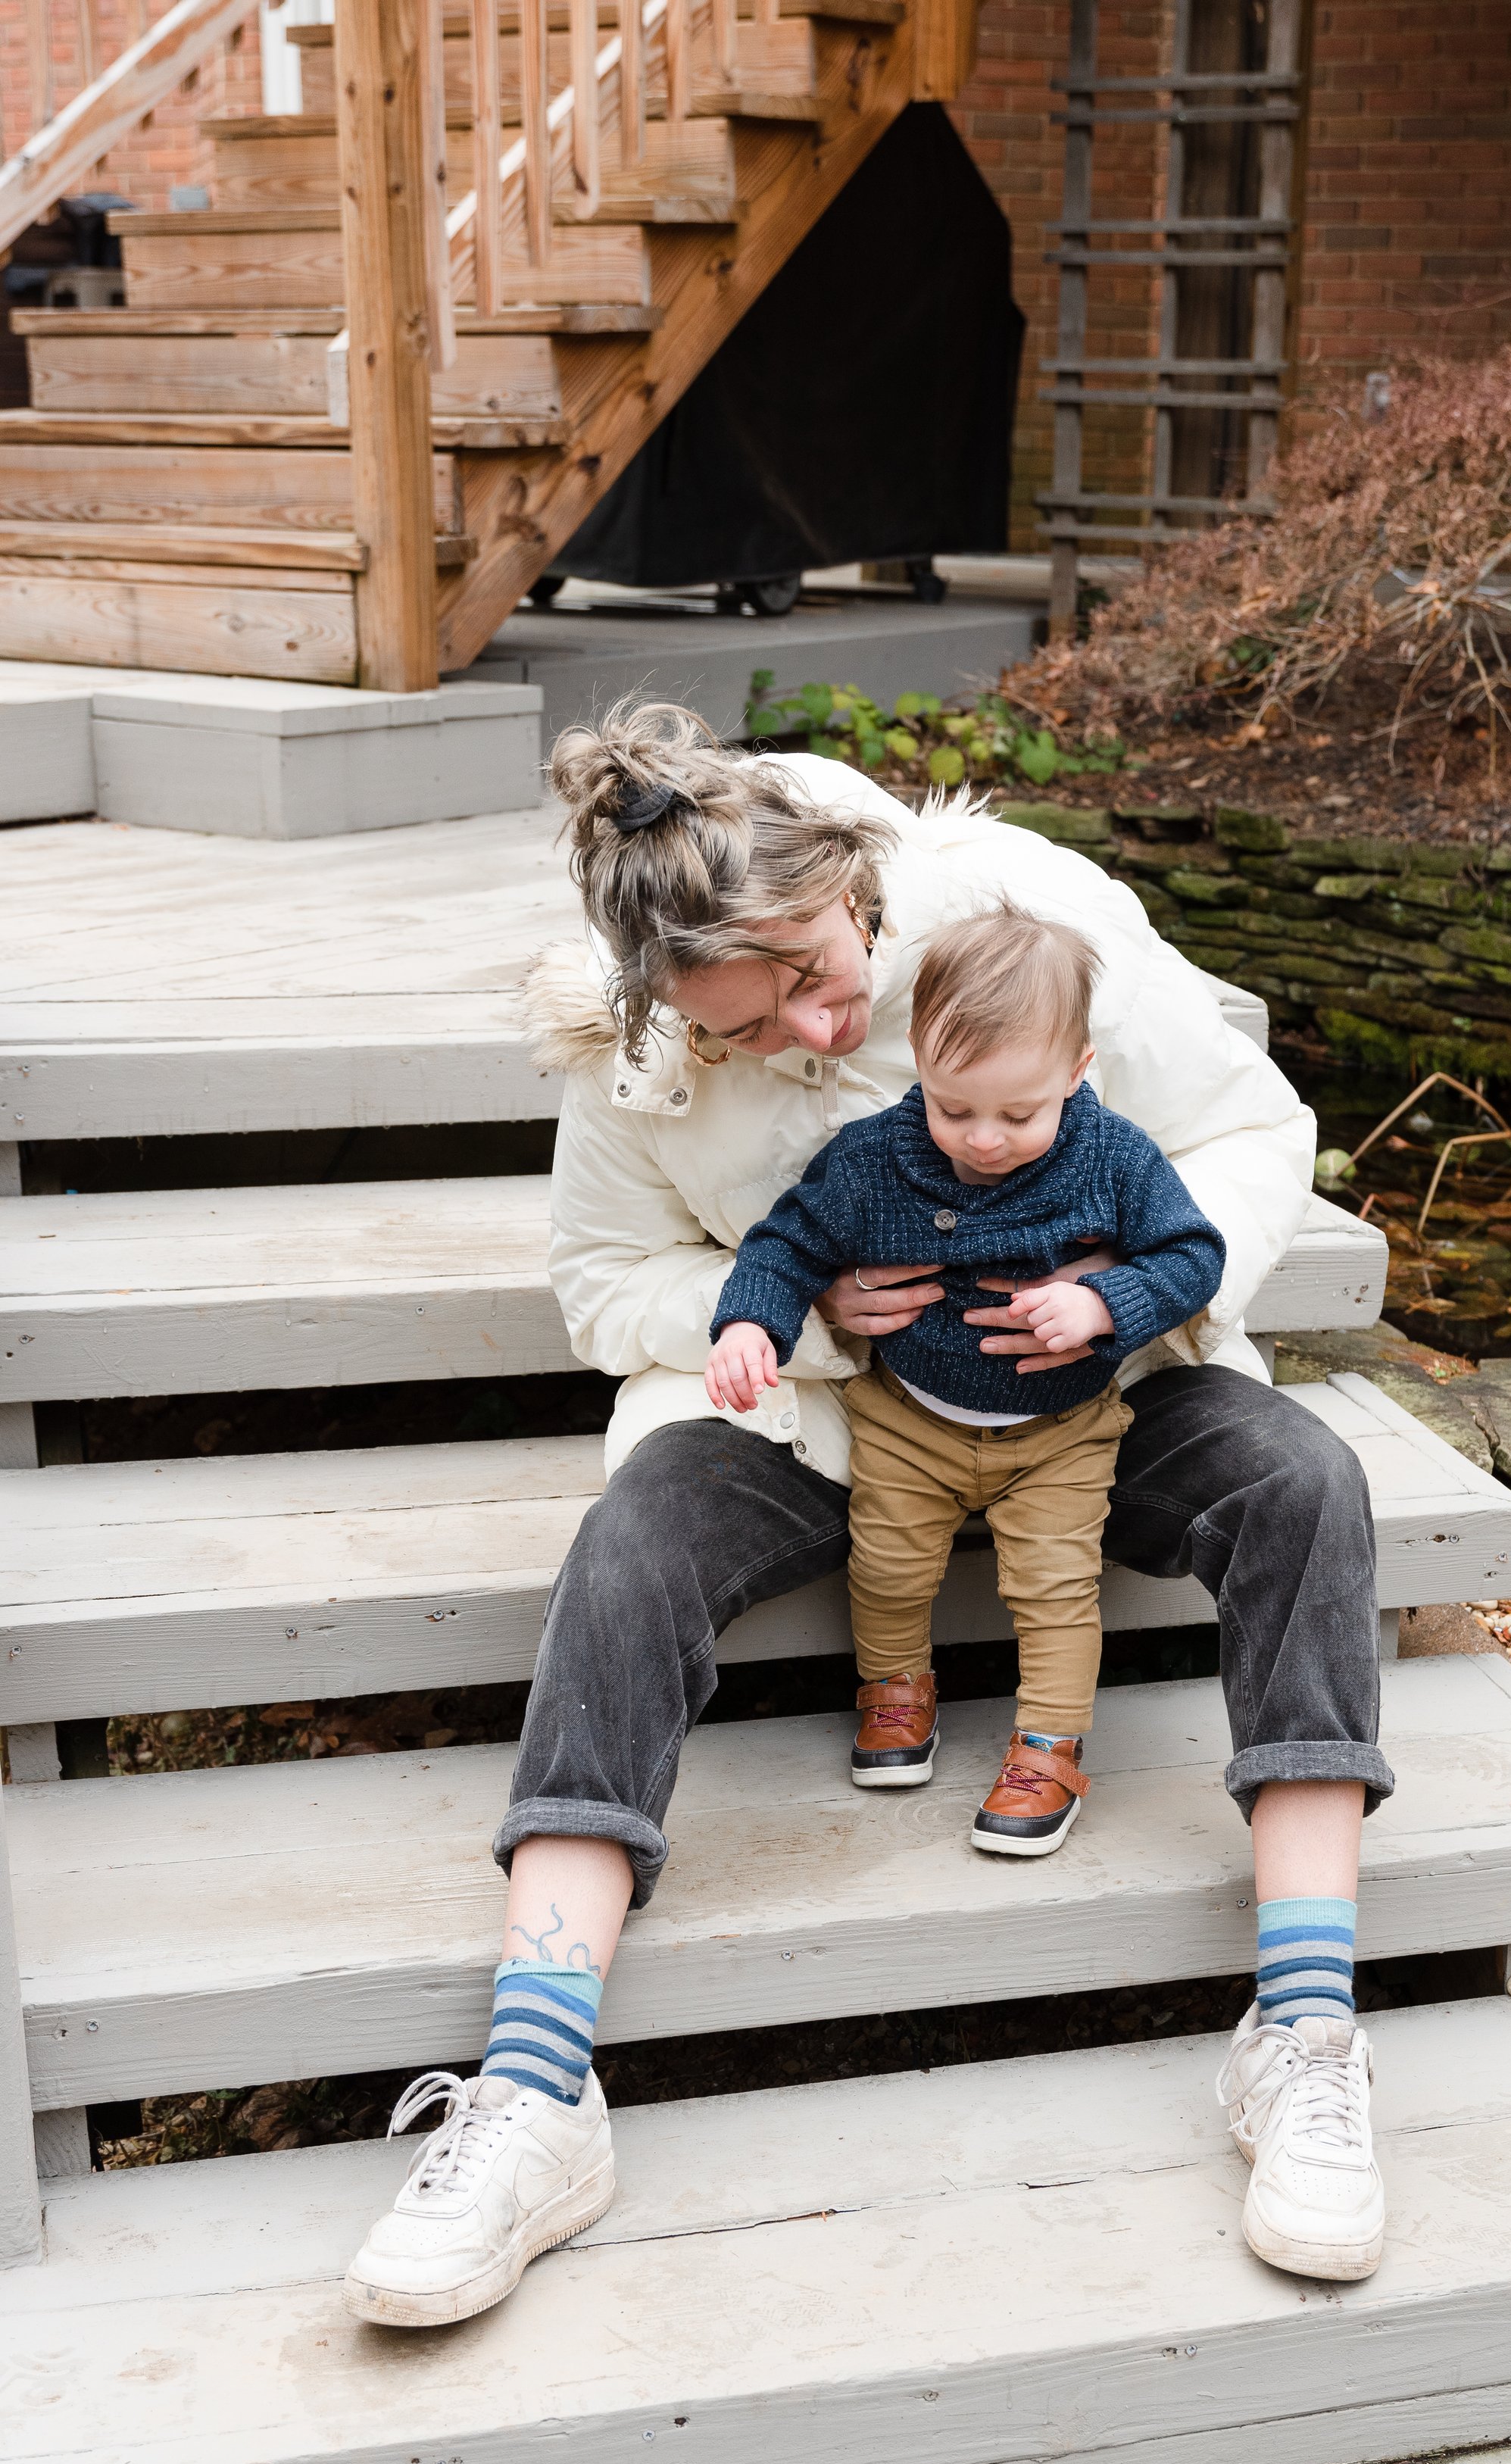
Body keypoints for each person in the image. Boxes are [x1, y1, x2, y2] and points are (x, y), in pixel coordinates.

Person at [342, 702, 1396, 2334]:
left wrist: (1113, 1295)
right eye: (753, 1033)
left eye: (826, 986)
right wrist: (817, 1317)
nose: (818, 1038)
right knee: (630, 1545)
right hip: (819, 1421)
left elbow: (1255, 1131)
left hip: (1087, 1393)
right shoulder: (630, 1049)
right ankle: (535, 2088)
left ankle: (1306, 2036)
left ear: (851, 887)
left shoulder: (1023, 918)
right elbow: (605, 1279)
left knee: (1306, 1482)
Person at [704, 904, 1226, 1852]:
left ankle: (1049, 1747)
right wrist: (750, 1322)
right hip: (912, 1421)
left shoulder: (1113, 1158)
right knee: (891, 1569)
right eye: (955, 1108)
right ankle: (897, 1690)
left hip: (1061, 1430)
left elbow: (1192, 1254)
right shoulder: (873, 1160)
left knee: (1056, 1589)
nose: (983, 1139)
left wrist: (1111, 1302)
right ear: (921, 1066)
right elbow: (786, 1244)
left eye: (1018, 1114)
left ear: (1076, 1072)